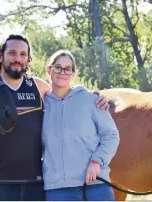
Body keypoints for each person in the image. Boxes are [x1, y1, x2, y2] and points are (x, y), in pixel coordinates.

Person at [0, 34, 109, 201]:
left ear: (28, 59)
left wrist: (93, 97)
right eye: (12, 53)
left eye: (23, 54)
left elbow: (66, 100)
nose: (17, 59)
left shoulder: (39, 88)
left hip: (34, 187)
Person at [42, 49, 120, 201]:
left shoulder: (91, 100)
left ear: (73, 74)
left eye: (68, 69)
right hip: (58, 190)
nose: (62, 72)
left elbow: (111, 135)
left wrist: (97, 161)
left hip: (95, 186)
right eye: (58, 67)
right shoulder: (41, 105)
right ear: (49, 70)